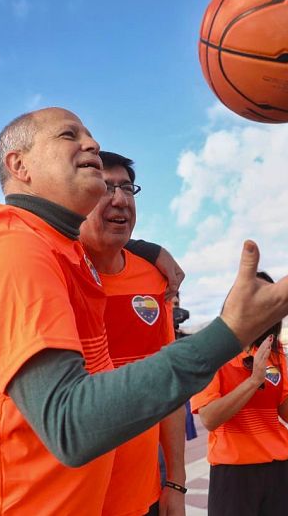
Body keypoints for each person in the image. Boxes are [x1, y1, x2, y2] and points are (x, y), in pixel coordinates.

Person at [0, 107, 288, 515]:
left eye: (95, 143)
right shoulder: (11, 249)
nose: (92, 145)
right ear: (19, 166)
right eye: (70, 134)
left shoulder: (66, 256)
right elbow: (70, 424)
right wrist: (230, 332)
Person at [78, 151, 186, 516]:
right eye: (105, 188)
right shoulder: (53, 269)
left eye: (127, 187)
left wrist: (175, 482)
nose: (120, 198)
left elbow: (168, 388)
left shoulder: (155, 279)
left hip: (143, 495)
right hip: (71, 498)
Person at [191, 272, 288, 516]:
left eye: (270, 298)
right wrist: (253, 382)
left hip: (277, 470)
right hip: (234, 475)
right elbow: (210, 418)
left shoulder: (273, 352)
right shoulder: (211, 351)